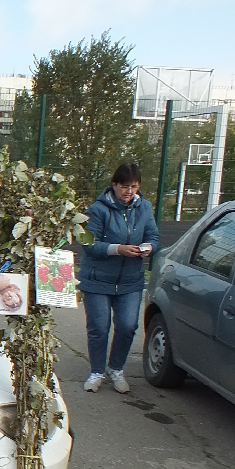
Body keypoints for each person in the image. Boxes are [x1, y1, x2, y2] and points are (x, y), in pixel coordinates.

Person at [78, 163, 161, 393]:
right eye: (124, 187)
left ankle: (116, 369)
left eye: (134, 187)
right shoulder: (98, 209)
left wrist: (148, 248)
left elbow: (154, 236)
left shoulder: (144, 207)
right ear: (114, 185)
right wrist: (118, 249)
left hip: (130, 280)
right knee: (99, 327)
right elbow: (88, 243)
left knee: (127, 326)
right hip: (97, 279)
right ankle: (96, 372)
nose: (129, 192)